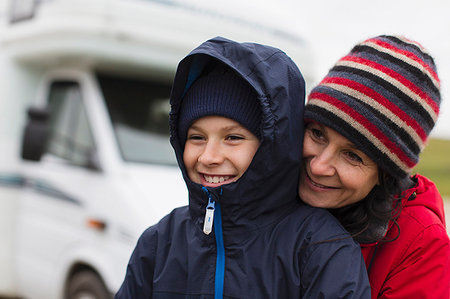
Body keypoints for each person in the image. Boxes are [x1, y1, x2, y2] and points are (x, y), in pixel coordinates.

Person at [115, 36, 371, 298]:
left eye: (233, 138)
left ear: (273, 146)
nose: (209, 157)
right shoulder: (160, 241)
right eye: (196, 137)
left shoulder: (321, 247)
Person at [299, 34, 450, 298]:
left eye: (353, 155)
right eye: (318, 134)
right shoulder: (265, 185)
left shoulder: (421, 247)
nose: (319, 166)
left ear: (386, 175)